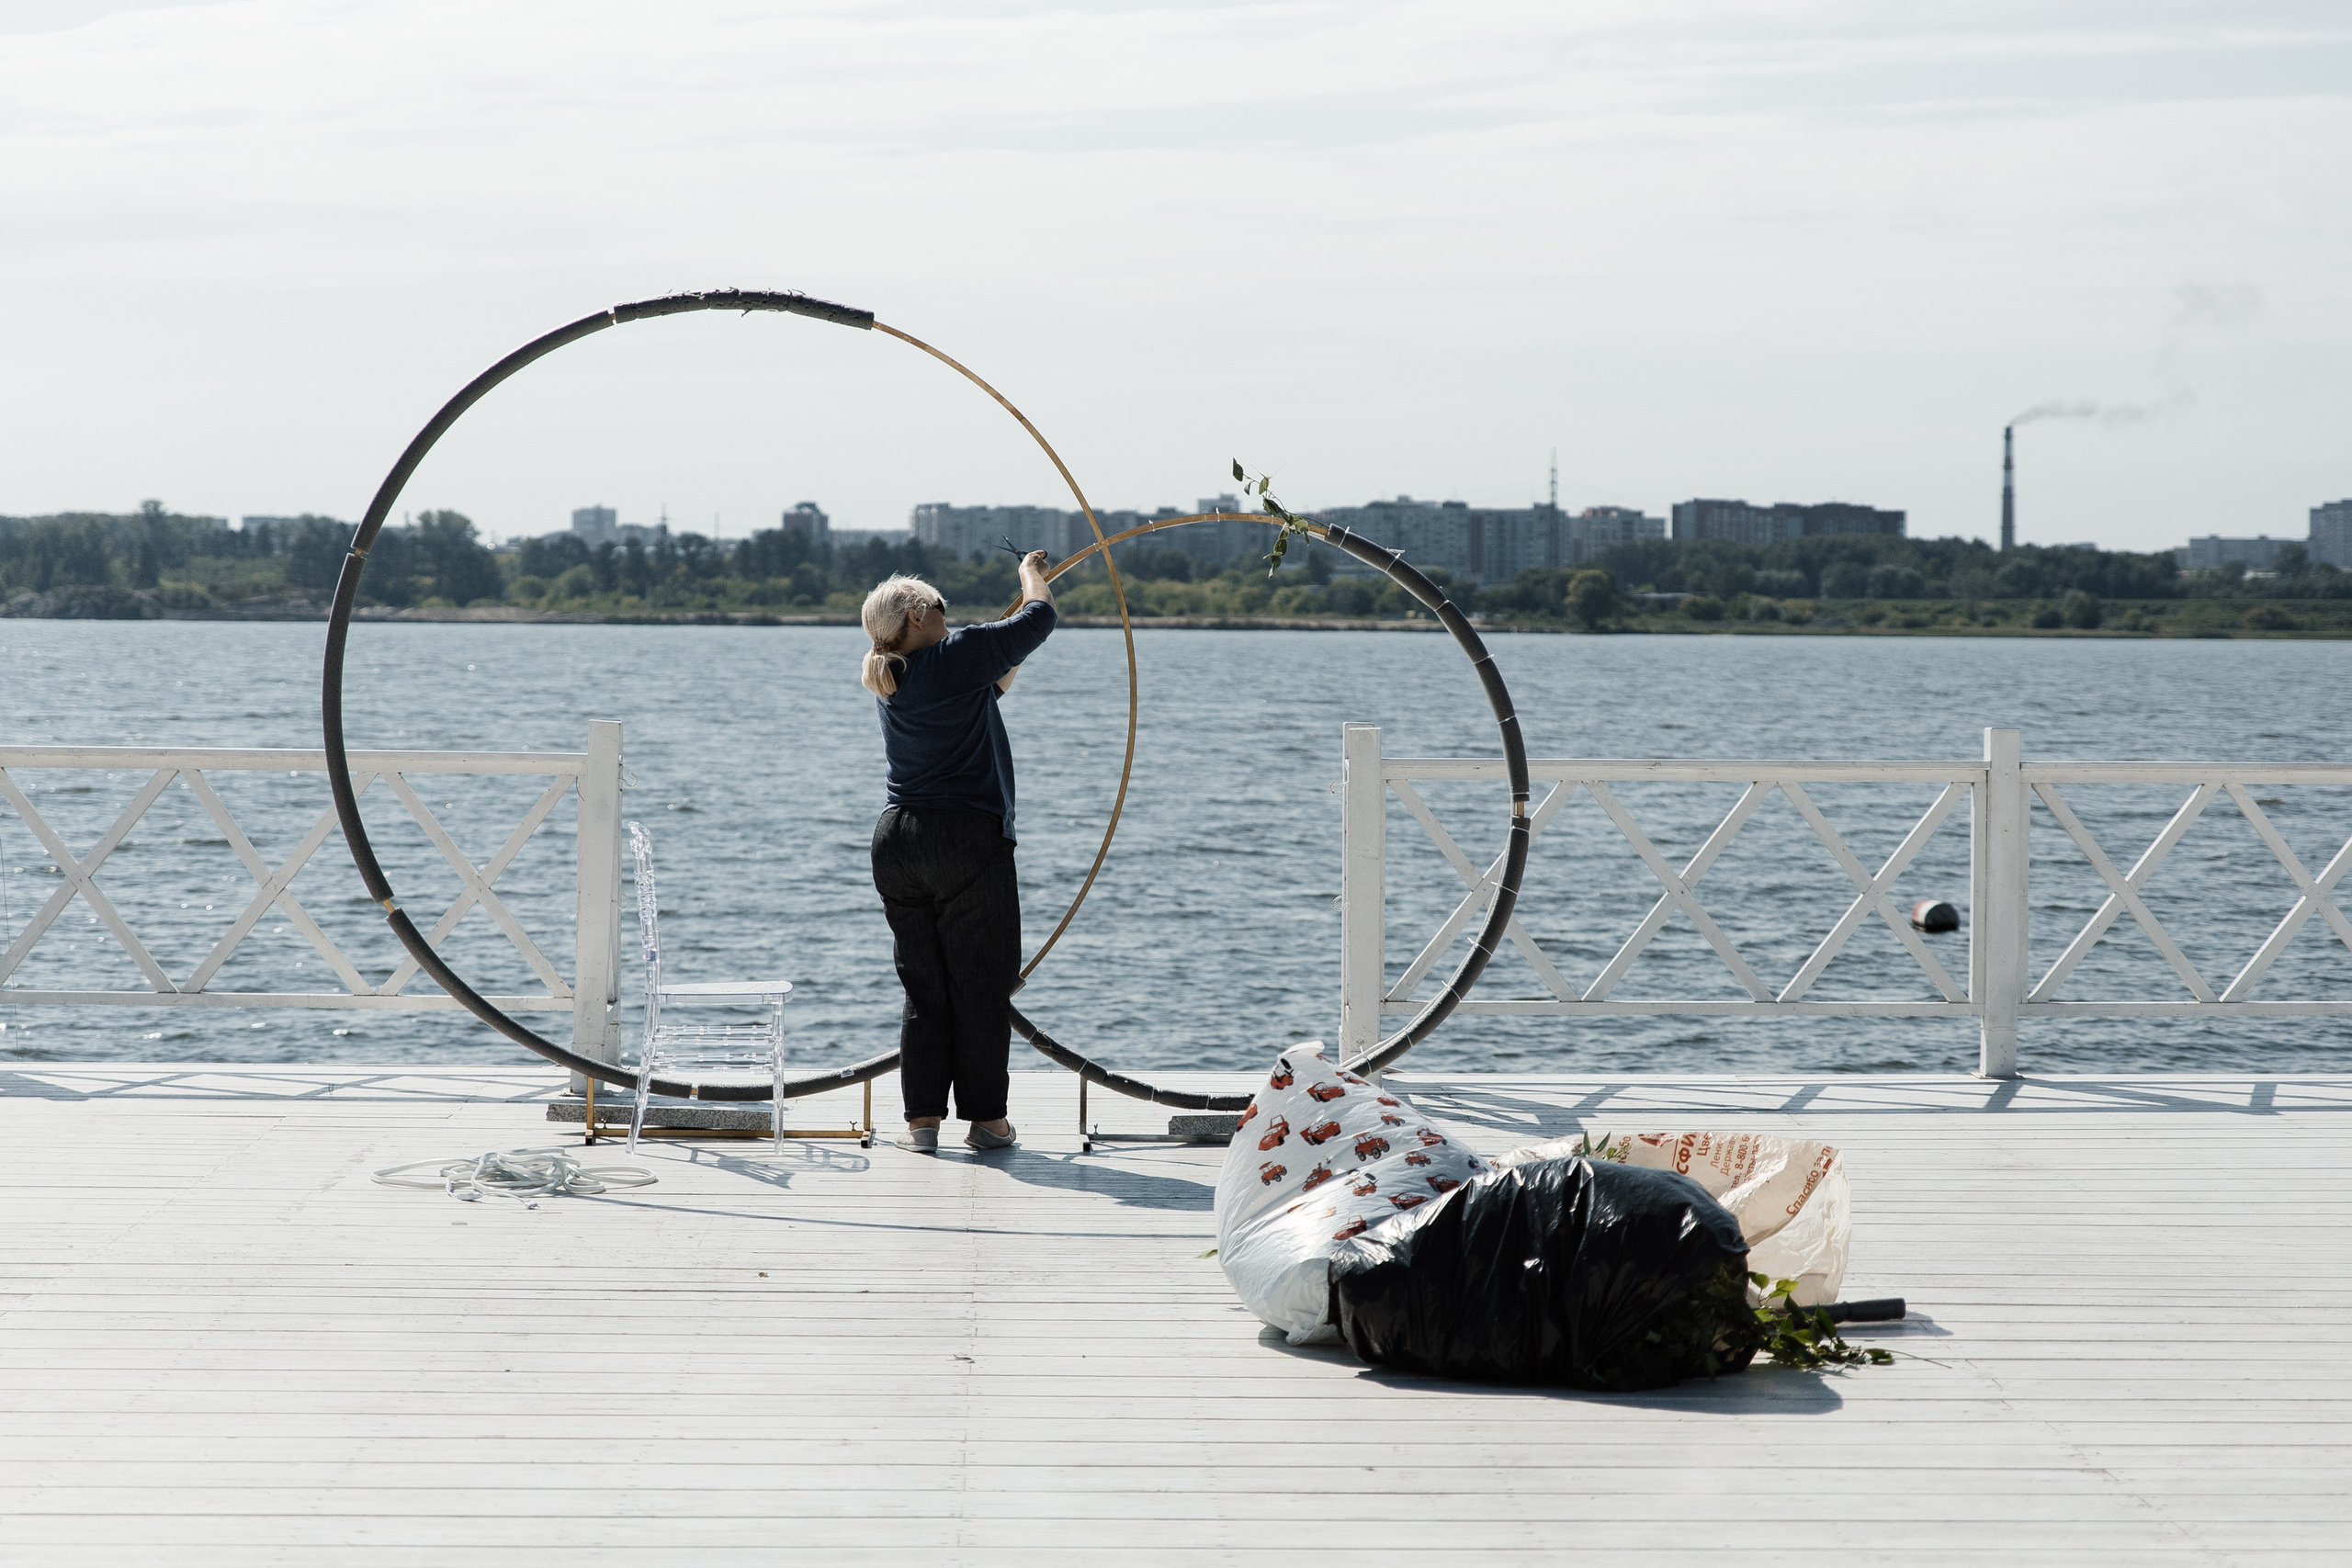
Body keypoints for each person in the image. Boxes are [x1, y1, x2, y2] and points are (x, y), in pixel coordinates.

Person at [860, 551, 1056, 1154]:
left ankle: (922, 1125)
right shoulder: (954, 654)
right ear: (919, 615)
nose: (950, 616)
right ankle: (988, 1122)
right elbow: (1040, 617)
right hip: (966, 839)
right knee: (980, 983)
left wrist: (1001, 648)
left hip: (898, 839)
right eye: (942, 607)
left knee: (925, 988)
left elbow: (993, 679)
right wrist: (1029, 572)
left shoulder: (897, 675)